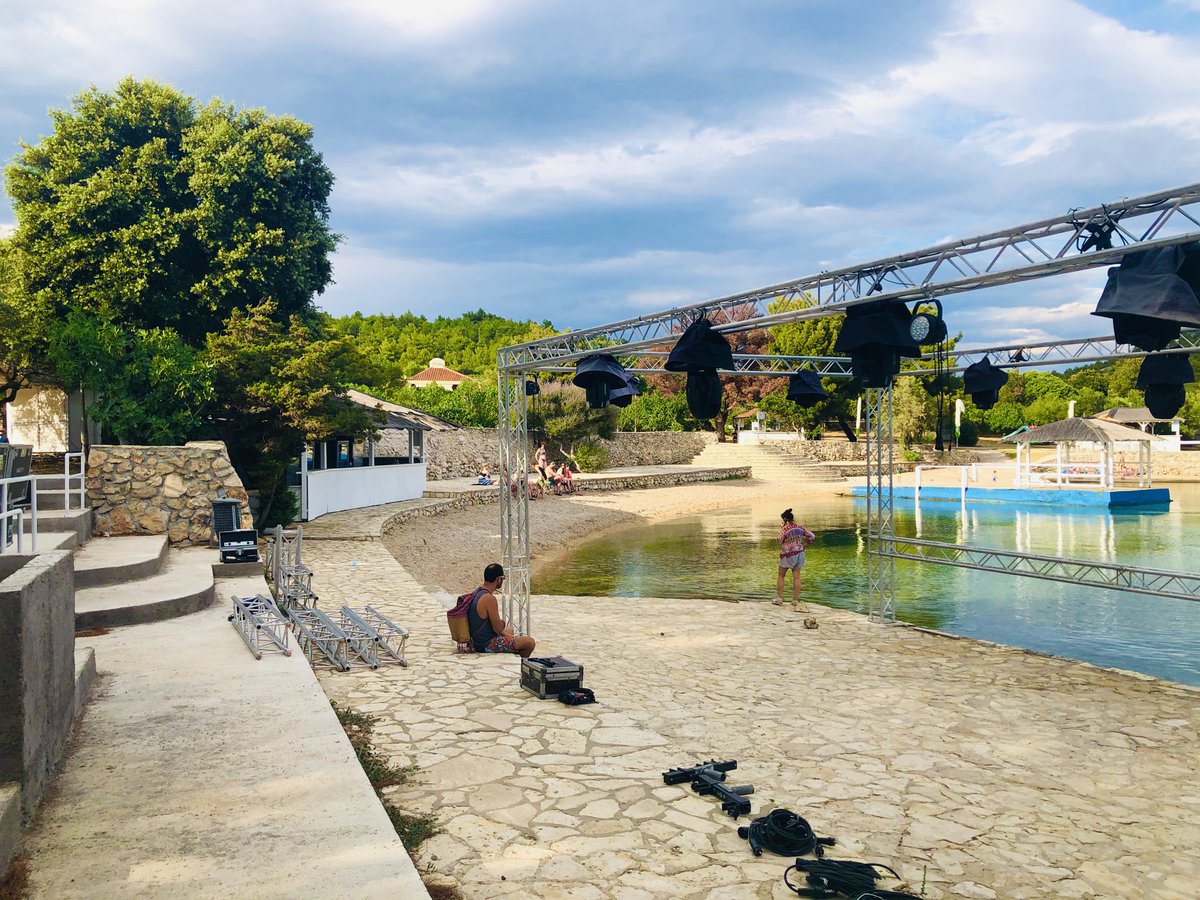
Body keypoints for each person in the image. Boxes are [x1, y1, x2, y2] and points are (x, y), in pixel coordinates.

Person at [465, 563, 536, 657]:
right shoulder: (489, 598)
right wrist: (503, 624)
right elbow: (498, 628)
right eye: (502, 578)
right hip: (485, 644)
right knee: (529, 642)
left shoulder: (477, 592)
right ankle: (522, 663)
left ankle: (513, 652)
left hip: (476, 639)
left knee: (510, 629)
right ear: (498, 579)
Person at [775, 508, 815, 610]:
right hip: (800, 553)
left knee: (781, 576)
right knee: (797, 577)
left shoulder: (785, 529)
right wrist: (805, 544)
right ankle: (795, 600)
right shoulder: (800, 527)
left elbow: (779, 540)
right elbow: (812, 536)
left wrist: (782, 529)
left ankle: (779, 599)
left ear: (785, 519)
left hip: (788, 554)